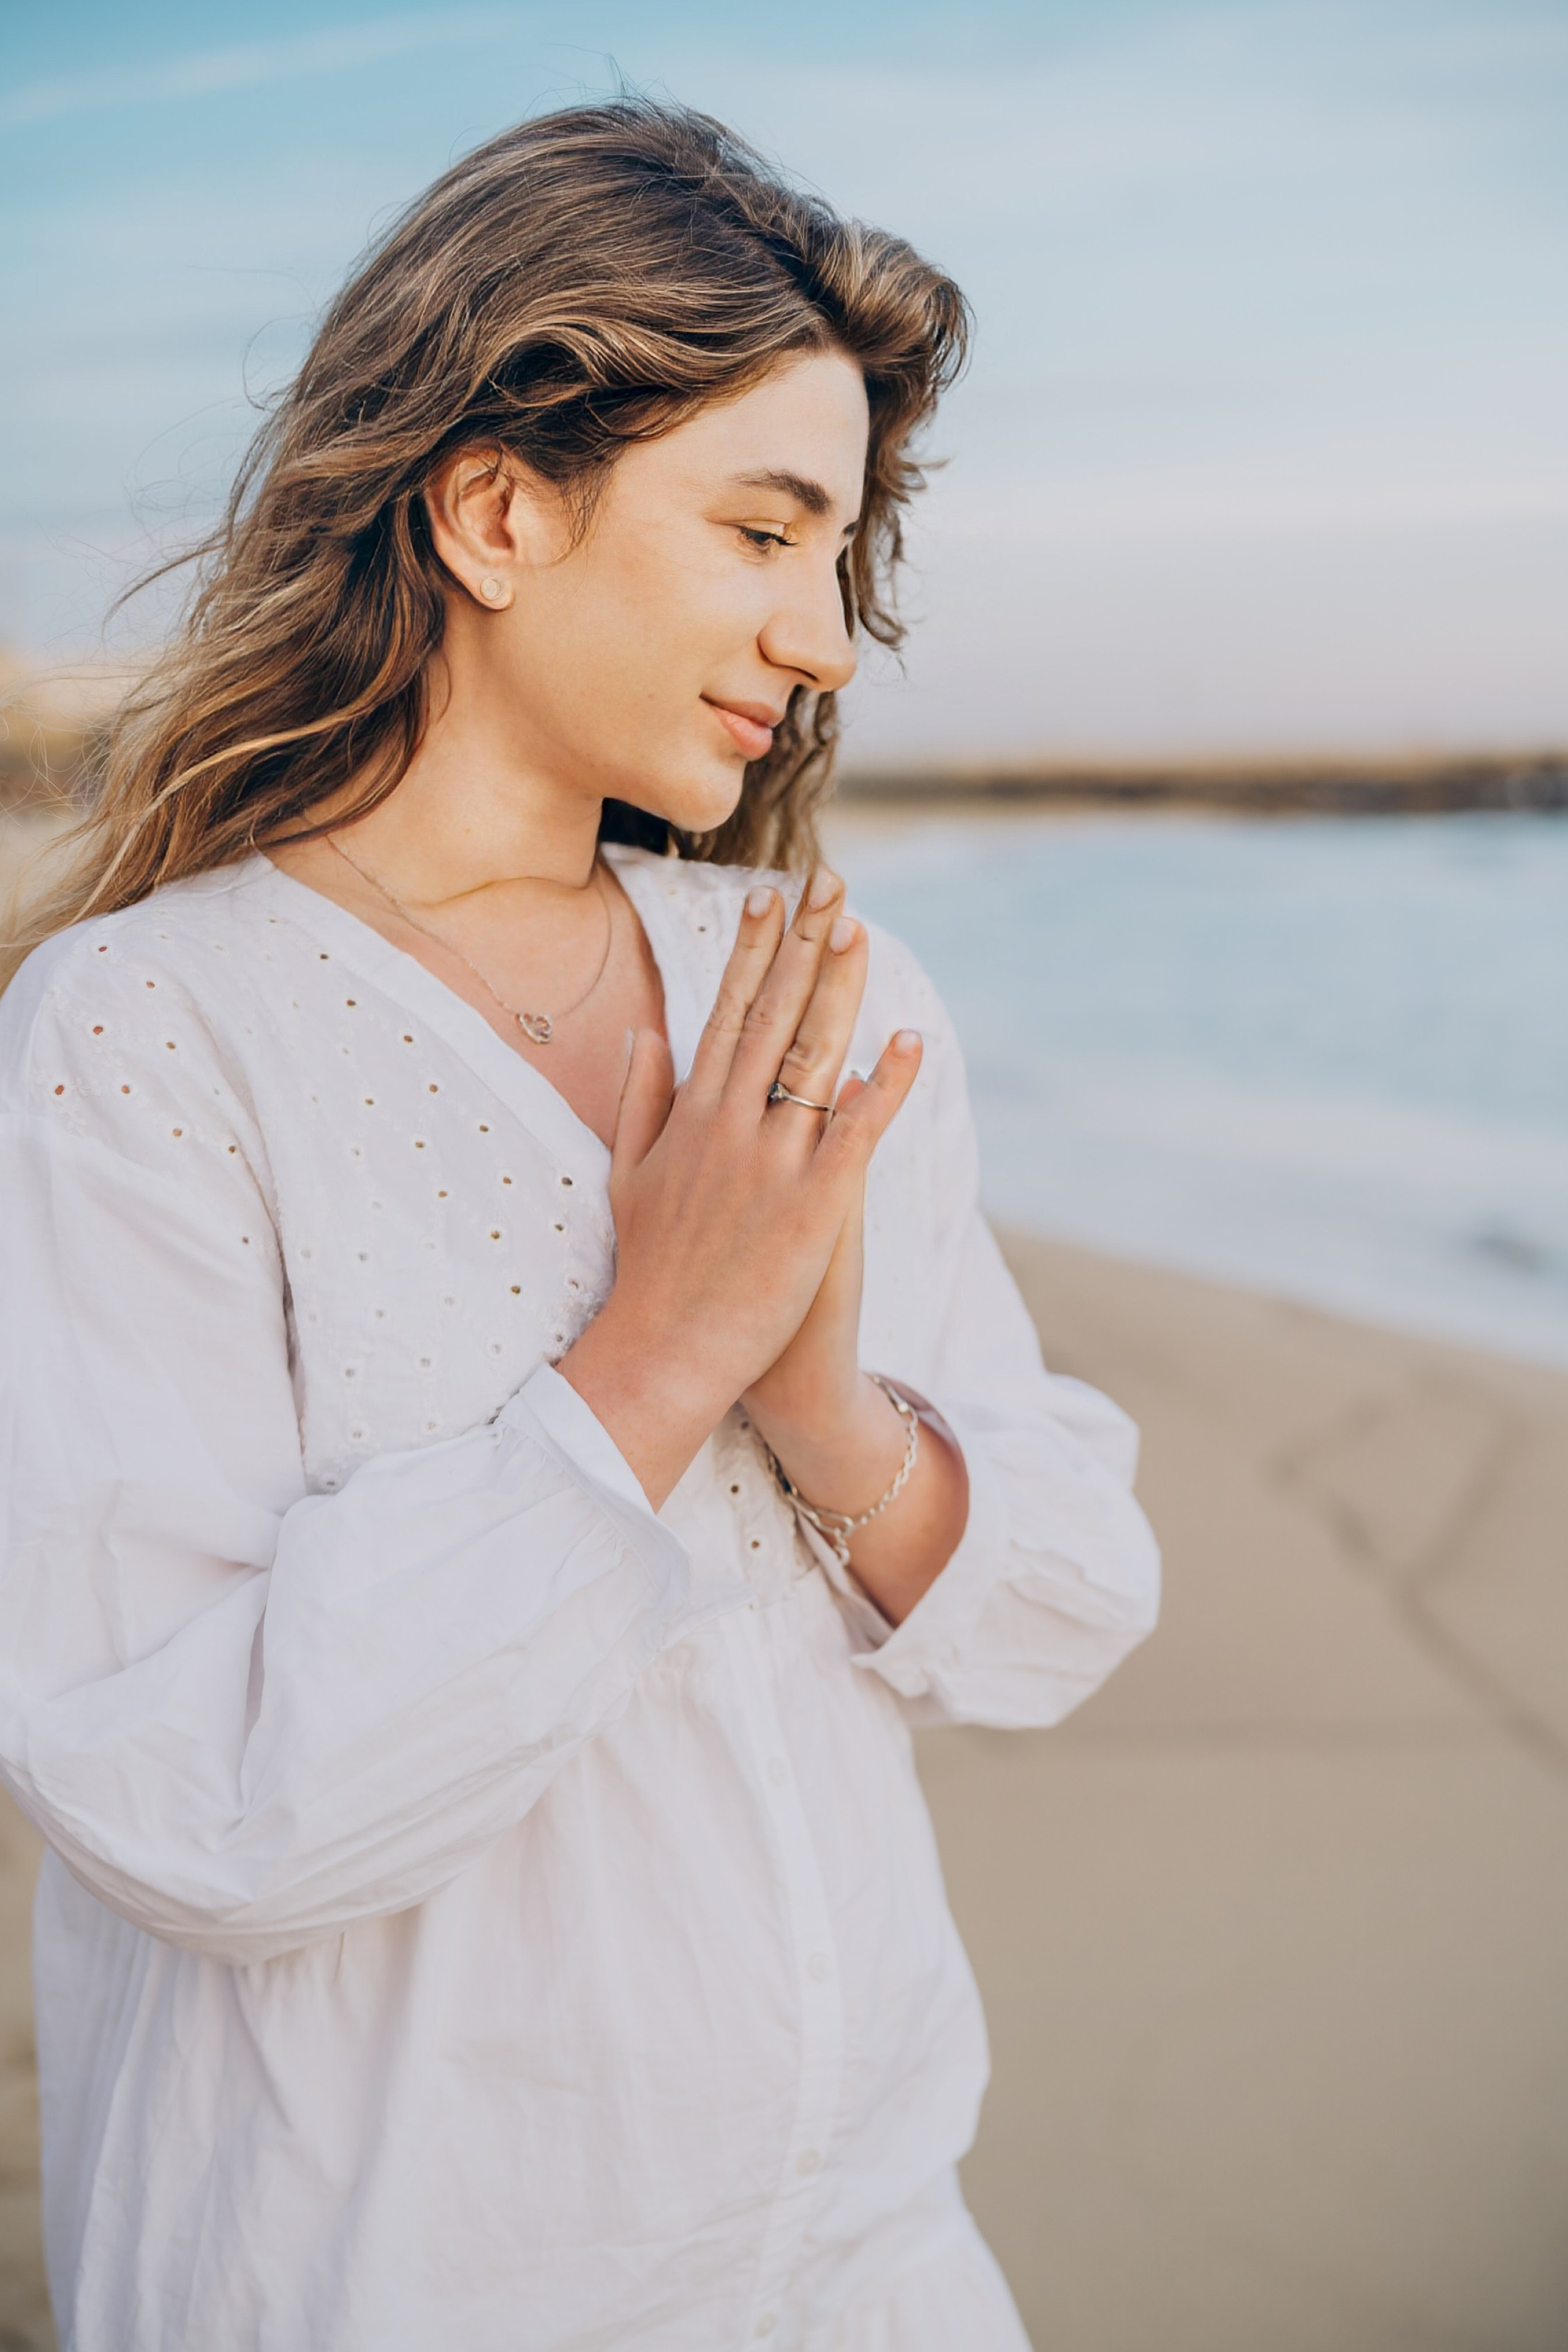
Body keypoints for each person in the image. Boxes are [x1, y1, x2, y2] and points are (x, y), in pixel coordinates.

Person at [0, 100, 1159, 2351]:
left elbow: (1065, 1607)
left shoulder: (815, 991)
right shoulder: (142, 1037)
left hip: (874, 2269)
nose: (824, 637)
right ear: (497, 508)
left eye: (843, 553)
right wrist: (652, 1366)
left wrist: (826, 1414)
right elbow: (184, 1799)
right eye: (762, 529)